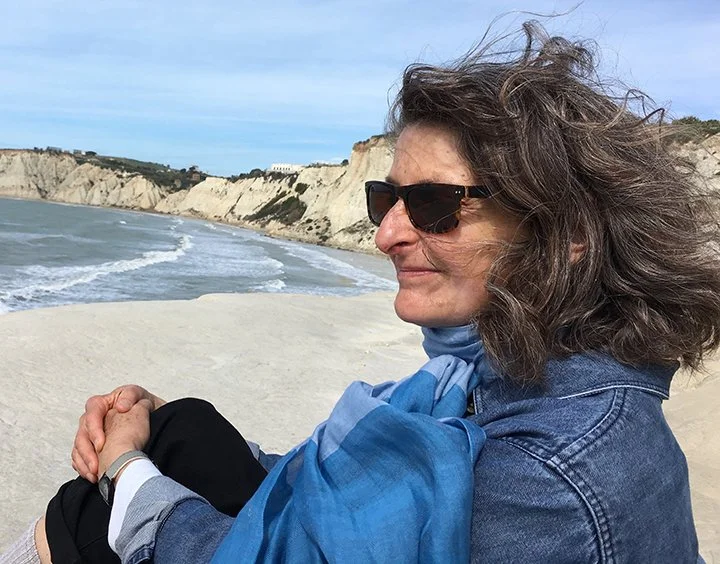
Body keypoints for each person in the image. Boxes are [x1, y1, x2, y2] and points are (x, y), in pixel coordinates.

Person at [3, 21, 719, 563]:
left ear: (566, 235)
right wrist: (151, 429)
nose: (387, 235)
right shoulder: (496, 379)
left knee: (89, 515)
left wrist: (125, 470)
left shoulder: (544, 481)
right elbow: (326, 495)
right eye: (386, 199)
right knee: (182, 428)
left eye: (434, 204)